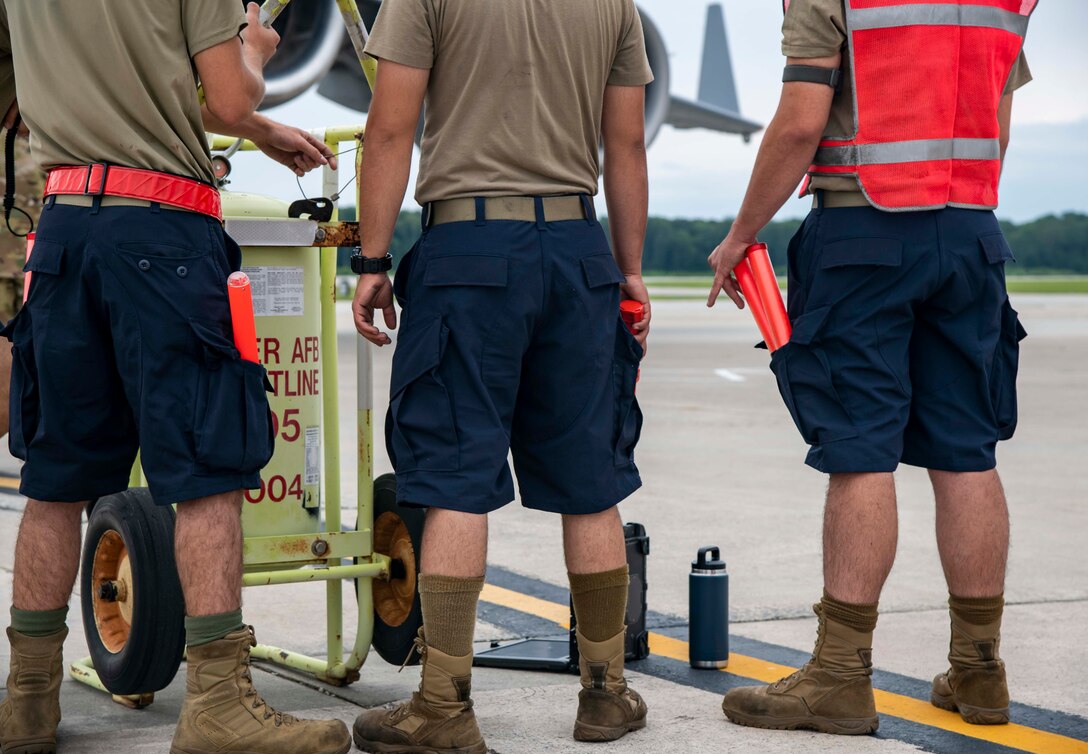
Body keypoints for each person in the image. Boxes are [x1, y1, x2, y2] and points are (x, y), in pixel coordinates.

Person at [0, 3, 351, 753]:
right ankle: (218, 704)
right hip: (161, 231)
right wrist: (253, 50)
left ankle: (27, 702)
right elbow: (226, 97)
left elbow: (91, 89)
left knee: (56, 481)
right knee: (208, 472)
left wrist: (253, 131)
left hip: (61, 229)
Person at [707, 0, 1035, 736]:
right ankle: (980, 670)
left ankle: (840, 674)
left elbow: (800, 122)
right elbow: (999, 124)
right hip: (972, 230)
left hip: (865, 231)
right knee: (966, 452)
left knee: (859, 448)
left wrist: (740, 234)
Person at [349, 0, 653, 750]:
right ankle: (606, 692)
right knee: (591, 480)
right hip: (578, 250)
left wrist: (372, 260)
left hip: (470, 249)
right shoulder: (615, 5)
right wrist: (632, 270)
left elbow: (390, 129)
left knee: (454, 477)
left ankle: (444, 706)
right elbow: (627, 146)